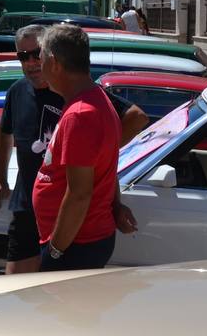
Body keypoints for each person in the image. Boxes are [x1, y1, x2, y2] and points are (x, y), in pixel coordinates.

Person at [32, 25, 137, 271]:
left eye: (41, 58)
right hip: (80, 241)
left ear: (54, 62)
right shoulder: (95, 100)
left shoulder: (80, 114)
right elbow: (104, 168)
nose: (38, 66)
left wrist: (55, 251)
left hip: (74, 245)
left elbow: (79, 194)